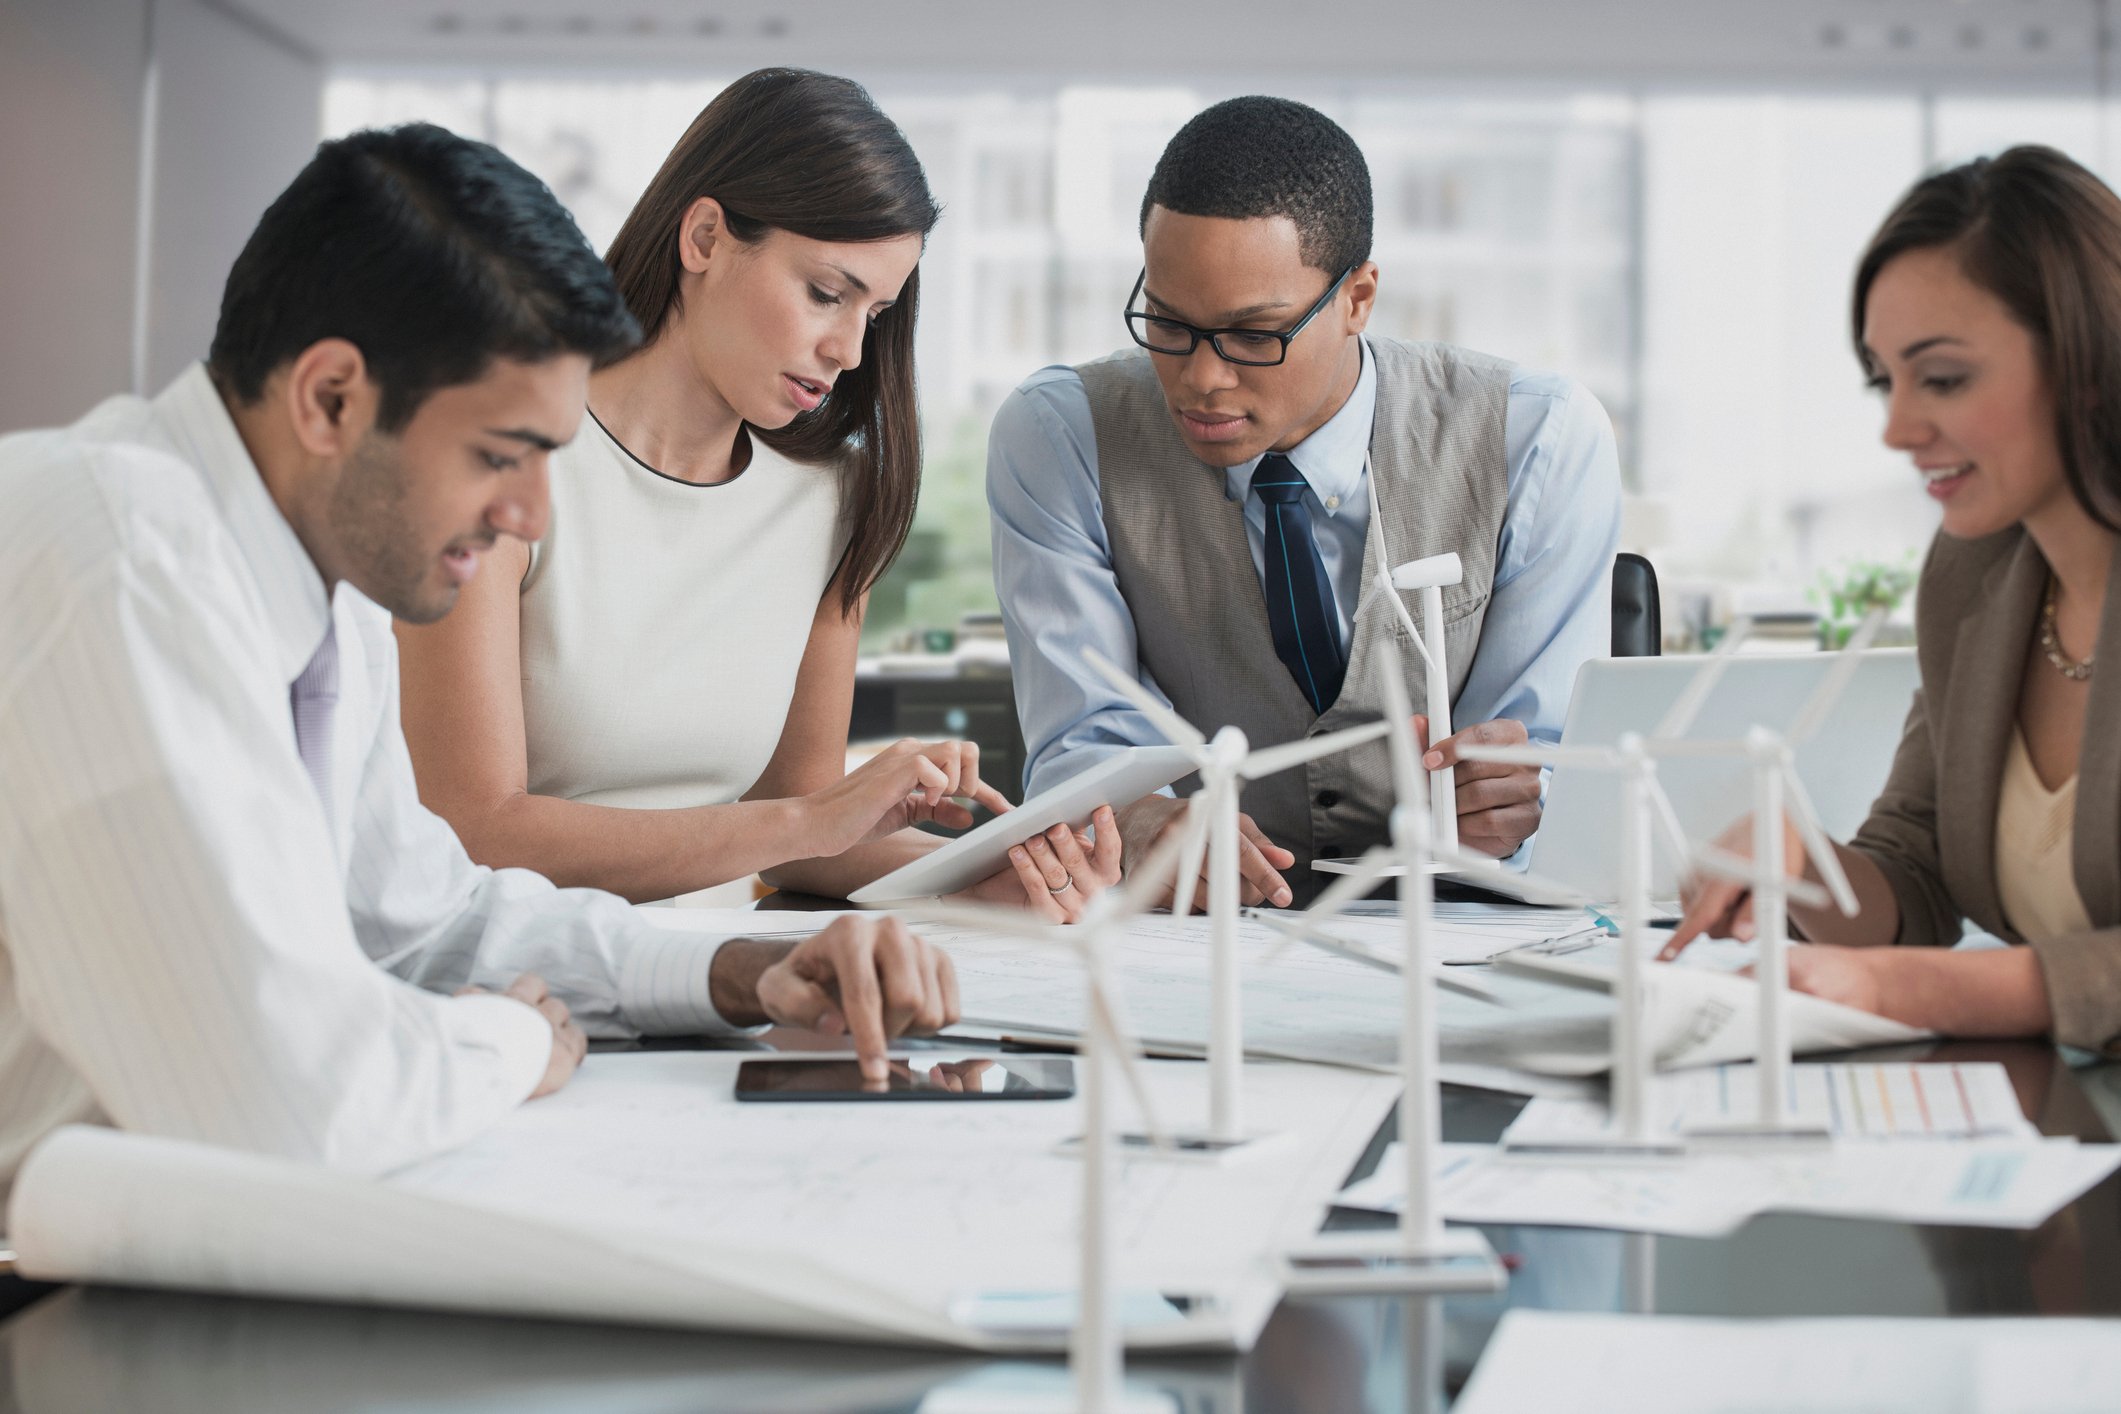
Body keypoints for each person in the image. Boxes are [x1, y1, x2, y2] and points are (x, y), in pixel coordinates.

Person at [0, 122, 961, 1202]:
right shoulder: (120, 557)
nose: (529, 515)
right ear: (330, 400)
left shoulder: (330, 591)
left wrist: (741, 971)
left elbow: (427, 916)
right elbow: (280, 1103)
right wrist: (504, 1044)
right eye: (501, 456)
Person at [394, 69, 1118, 919]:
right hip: (512, 978)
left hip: (728, 983)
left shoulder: (830, 497)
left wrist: (981, 875)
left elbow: (804, 829)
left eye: (875, 313)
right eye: (824, 293)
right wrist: (810, 821)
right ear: (703, 236)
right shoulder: (496, 459)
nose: (849, 348)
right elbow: (474, 828)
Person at [988, 95, 1623, 908]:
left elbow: (1553, 759)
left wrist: (1520, 794)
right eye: (1168, 324)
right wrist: (1140, 816)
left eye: (1255, 336)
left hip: (1467, 923)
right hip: (1199, 929)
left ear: (1357, 298)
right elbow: (1082, 739)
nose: (1201, 378)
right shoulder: (1059, 434)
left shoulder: (1538, 437)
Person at [1663, 146, 2121, 1056]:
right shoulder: (1973, 576)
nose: (1897, 428)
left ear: (2086, 357)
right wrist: (1803, 868)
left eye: (1942, 378)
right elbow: (1917, 872)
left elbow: (1913, 964)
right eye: (1885, 379)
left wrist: (1909, 988)